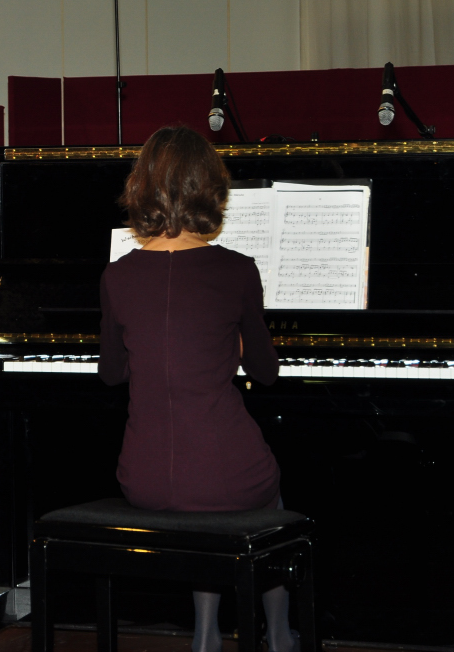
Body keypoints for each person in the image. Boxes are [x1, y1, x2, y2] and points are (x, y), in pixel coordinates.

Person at [98, 125, 293, 652]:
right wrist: (231, 347)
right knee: (265, 488)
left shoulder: (117, 277)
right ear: (211, 190)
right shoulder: (237, 271)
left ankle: (206, 634)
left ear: (140, 189)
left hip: (143, 480)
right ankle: (280, 635)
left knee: (199, 493)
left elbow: (112, 373)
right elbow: (267, 371)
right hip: (226, 476)